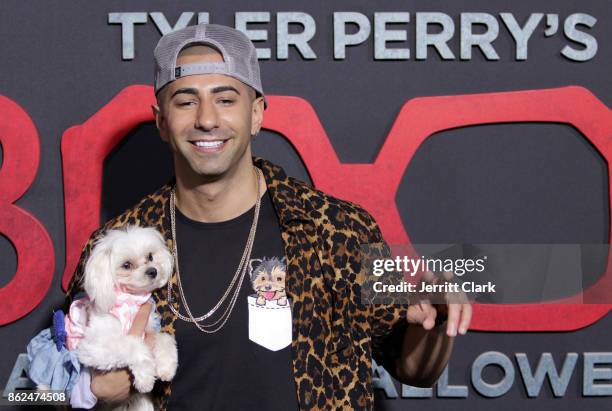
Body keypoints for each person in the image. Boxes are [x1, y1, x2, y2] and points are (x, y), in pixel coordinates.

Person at [65, 23, 471, 410]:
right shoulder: (118, 251)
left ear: (257, 113)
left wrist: (433, 324)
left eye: (226, 99)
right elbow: (38, 394)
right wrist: (89, 391)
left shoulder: (342, 228)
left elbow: (413, 369)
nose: (207, 118)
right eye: (186, 101)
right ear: (162, 122)